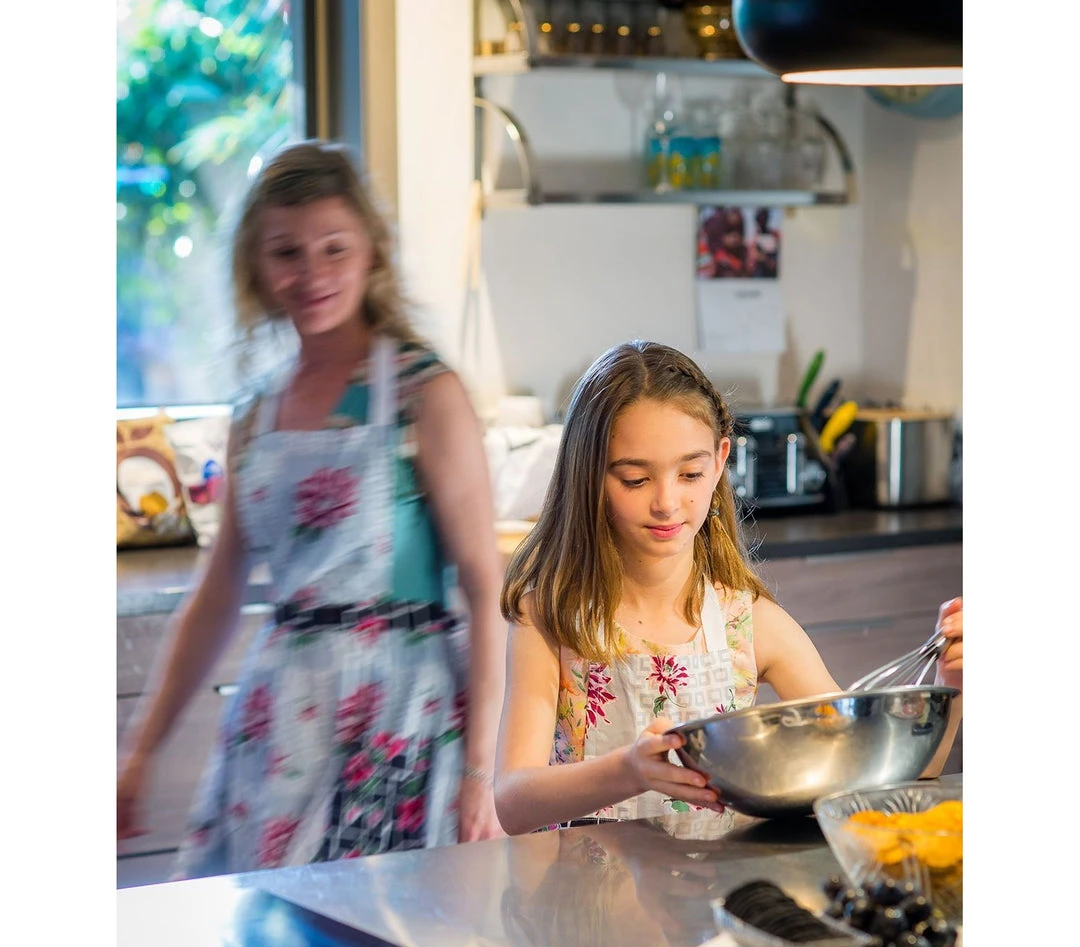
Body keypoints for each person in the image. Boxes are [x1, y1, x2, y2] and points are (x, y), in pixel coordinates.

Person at [116, 141, 506, 876]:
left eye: (334, 248)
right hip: (280, 721)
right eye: (286, 253)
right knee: (268, 932)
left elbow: (485, 592)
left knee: (380, 931)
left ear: (371, 252)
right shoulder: (255, 415)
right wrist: (140, 751)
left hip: (400, 716)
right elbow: (217, 596)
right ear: (256, 267)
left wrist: (482, 775)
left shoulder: (425, 393)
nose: (313, 274)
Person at [494, 340, 963, 836]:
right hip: (583, 886)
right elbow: (514, 802)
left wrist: (952, 685)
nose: (667, 502)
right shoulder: (552, 618)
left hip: (714, 885)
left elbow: (871, 776)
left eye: (690, 474)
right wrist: (628, 770)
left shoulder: (751, 624)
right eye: (635, 479)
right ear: (587, 474)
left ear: (720, 461)